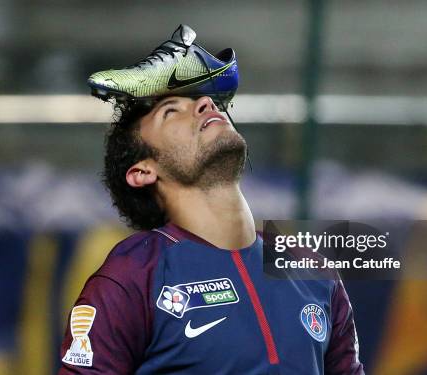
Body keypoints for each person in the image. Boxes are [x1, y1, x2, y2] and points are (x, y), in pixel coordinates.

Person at [59, 25, 364, 375]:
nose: (205, 103)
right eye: (171, 111)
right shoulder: (132, 277)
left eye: (206, 101)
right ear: (142, 171)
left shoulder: (314, 272)